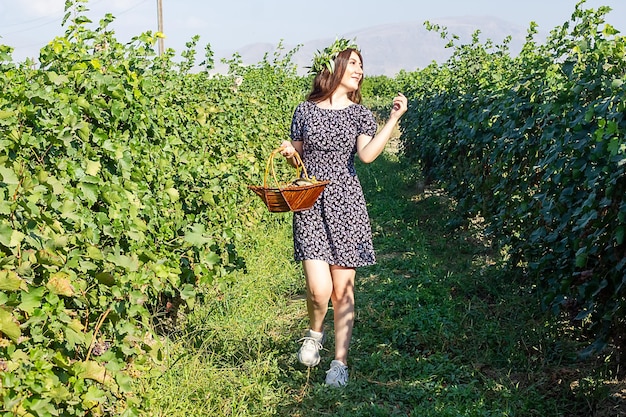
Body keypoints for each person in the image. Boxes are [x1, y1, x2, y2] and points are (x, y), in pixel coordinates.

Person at [279, 38, 408, 387]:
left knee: (343, 290)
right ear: (333, 67)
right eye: (353, 63)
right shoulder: (304, 110)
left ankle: (339, 363)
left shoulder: (359, 114)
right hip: (310, 202)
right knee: (319, 290)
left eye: (361, 66)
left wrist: (393, 118)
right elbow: (298, 155)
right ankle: (314, 333)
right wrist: (291, 151)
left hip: (347, 204)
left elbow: (366, 156)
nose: (359, 70)